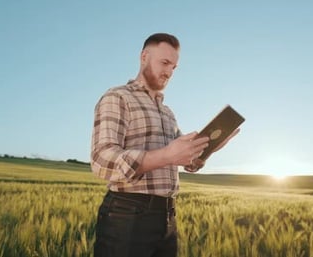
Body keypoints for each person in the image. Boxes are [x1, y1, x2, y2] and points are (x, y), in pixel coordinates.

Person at [90, 33, 239, 257]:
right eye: (165, 63)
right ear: (144, 57)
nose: (169, 72)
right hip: (127, 214)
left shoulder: (167, 112)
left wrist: (207, 150)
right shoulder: (118, 97)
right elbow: (102, 160)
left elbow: (182, 158)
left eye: (174, 67)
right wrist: (167, 155)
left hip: (167, 217)